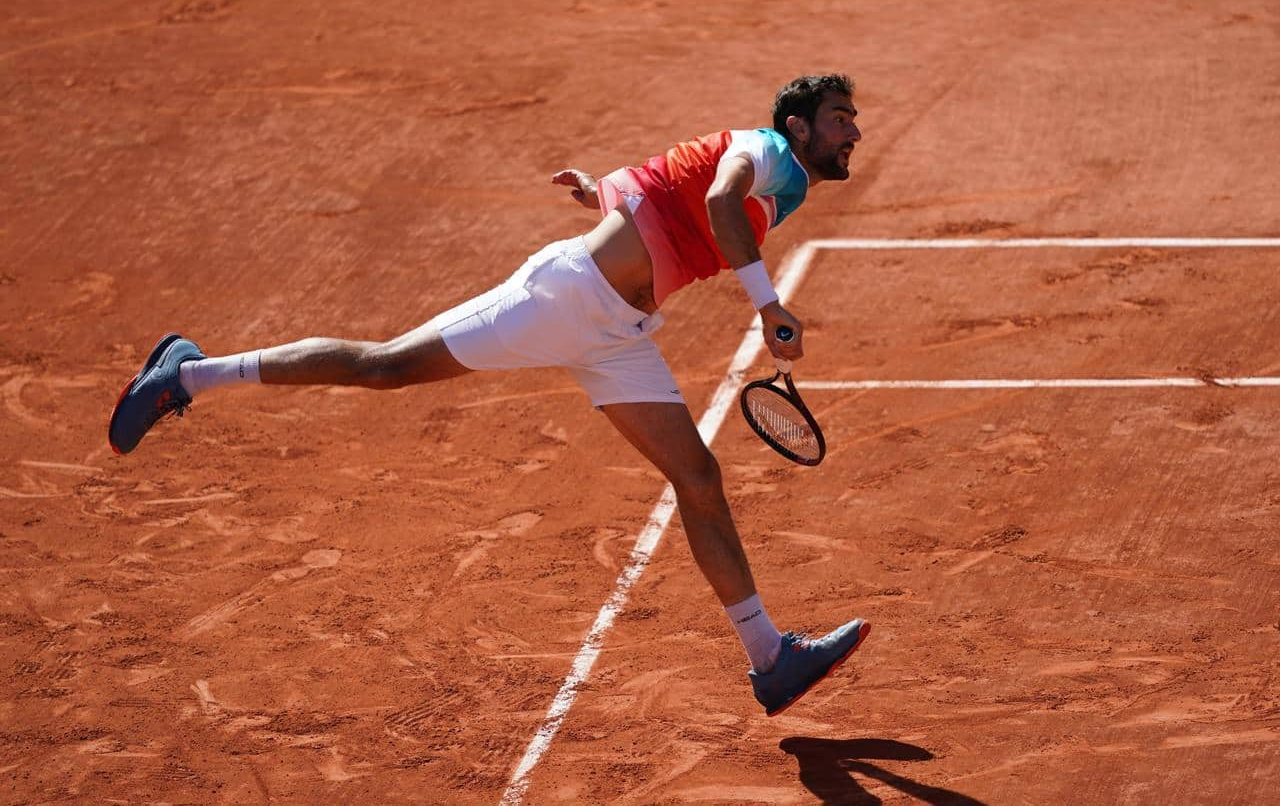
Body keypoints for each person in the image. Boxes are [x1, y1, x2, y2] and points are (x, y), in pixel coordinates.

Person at [108, 74, 868, 717]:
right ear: (797, 124)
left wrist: (601, 191)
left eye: (854, 120)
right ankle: (188, 373)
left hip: (618, 332)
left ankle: (770, 658)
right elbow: (717, 202)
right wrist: (767, 304)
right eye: (840, 118)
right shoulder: (768, 152)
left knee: (699, 479)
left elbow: (672, 191)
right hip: (564, 299)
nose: (853, 131)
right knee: (386, 367)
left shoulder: (784, 182)